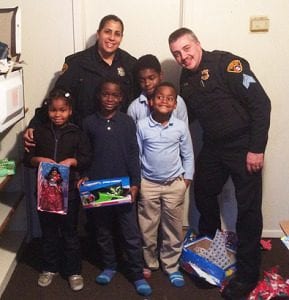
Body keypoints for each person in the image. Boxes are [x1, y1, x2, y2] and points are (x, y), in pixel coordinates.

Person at [168, 28, 271, 299]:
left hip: (243, 146)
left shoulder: (228, 64)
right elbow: (187, 116)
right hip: (215, 146)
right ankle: (211, 255)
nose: (183, 56)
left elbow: (262, 104)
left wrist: (256, 149)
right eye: (176, 54)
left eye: (186, 49)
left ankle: (248, 275)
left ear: (198, 44)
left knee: (248, 209)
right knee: (202, 191)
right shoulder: (186, 78)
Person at [23, 14, 139, 241]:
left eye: (117, 33)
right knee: (81, 195)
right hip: (81, 139)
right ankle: (87, 248)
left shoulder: (130, 64)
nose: (111, 38)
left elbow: (136, 102)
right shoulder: (77, 62)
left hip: (114, 140)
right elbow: (55, 99)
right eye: (107, 31)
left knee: (116, 195)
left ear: (121, 37)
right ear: (99, 33)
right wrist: (34, 125)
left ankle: (114, 250)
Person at [79, 78, 152, 297]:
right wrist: (83, 176)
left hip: (123, 186)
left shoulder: (127, 122)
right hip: (98, 186)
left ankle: (137, 274)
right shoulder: (89, 123)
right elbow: (85, 154)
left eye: (114, 95)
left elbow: (132, 154)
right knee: (102, 231)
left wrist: (136, 183)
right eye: (105, 94)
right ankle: (109, 266)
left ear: (121, 98)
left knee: (130, 233)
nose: (109, 99)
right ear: (98, 96)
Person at [23, 88, 91, 291]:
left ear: (69, 111)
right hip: (45, 193)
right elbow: (26, 159)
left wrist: (73, 161)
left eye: (62, 110)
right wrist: (38, 159)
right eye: (53, 110)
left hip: (68, 193)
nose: (58, 114)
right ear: (48, 111)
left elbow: (87, 158)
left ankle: (73, 271)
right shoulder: (40, 132)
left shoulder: (77, 133)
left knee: (70, 233)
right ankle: (49, 267)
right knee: (49, 233)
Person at [136, 82, 194, 287]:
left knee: (173, 228)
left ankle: (171, 265)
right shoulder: (142, 125)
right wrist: (139, 182)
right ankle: (149, 262)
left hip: (174, 184)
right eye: (160, 97)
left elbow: (188, 154)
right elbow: (138, 155)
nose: (164, 101)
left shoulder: (179, 126)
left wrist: (186, 180)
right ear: (152, 101)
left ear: (175, 104)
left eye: (169, 98)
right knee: (147, 226)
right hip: (148, 184)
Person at [127, 54, 188, 124]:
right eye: (142, 80)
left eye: (151, 78)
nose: (147, 83)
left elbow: (184, 131)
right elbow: (131, 133)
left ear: (160, 75)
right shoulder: (134, 108)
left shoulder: (178, 101)